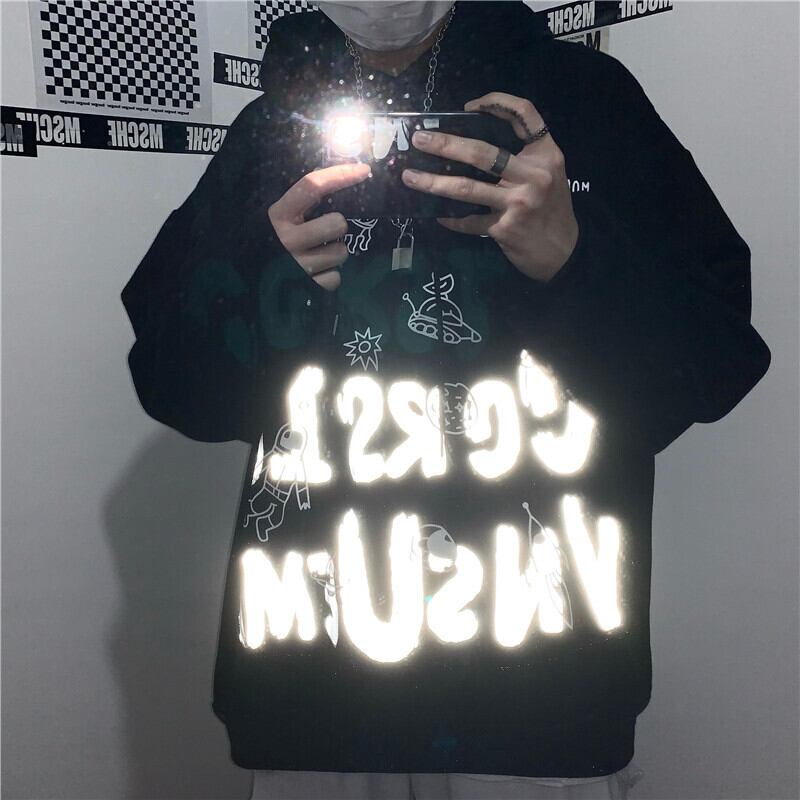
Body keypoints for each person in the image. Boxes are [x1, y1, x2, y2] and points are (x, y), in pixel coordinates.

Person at [120, 2, 771, 798]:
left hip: (540, 704)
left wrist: (575, 257)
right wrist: (262, 281)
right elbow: (172, 383)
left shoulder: (586, 100)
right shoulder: (272, 129)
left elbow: (715, 360)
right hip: (310, 696)